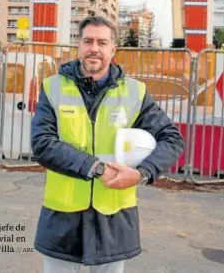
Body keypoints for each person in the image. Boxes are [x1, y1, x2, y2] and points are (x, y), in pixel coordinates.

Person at [31, 16, 184, 272]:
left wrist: (141, 174)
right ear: (78, 46)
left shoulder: (134, 92)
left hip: (113, 214)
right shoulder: (53, 87)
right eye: (88, 41)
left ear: (113, 50)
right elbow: (42, 144)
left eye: (102, 42)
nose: (94, 48)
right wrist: (97, 168)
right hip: (63, 213)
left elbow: (172, 139)